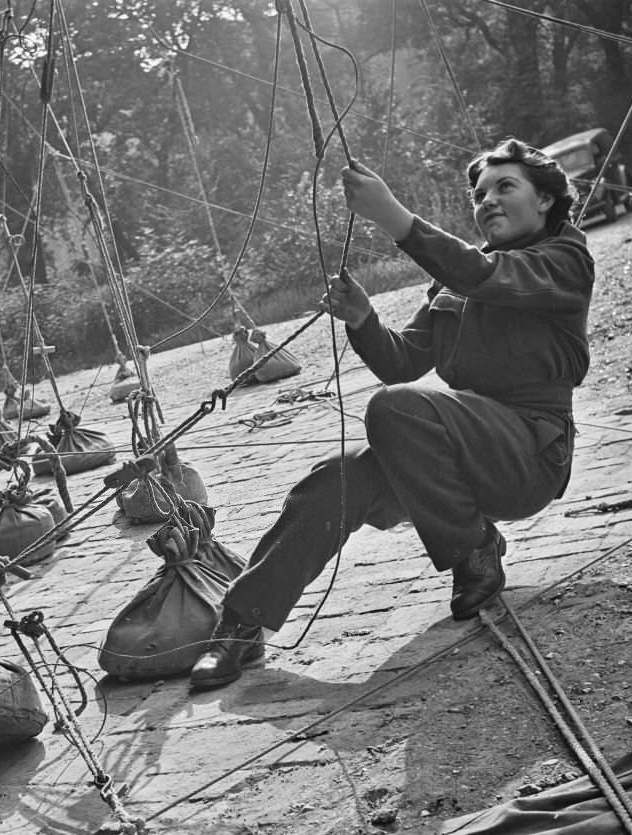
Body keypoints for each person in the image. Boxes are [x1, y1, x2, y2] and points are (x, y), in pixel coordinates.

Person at [190, 138, 593, 691]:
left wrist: (393, 217)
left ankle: (472, 548)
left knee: (395, 409)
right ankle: (242, 623)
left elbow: (482, 276)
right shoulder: (457, 278)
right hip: (454, 453)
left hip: (528, 454)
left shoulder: (565, 259)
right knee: (336, 477)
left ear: (546, 200)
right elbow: (401, 362)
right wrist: (362, 318)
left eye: (506, 187)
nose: (488, 201)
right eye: (479, 194)